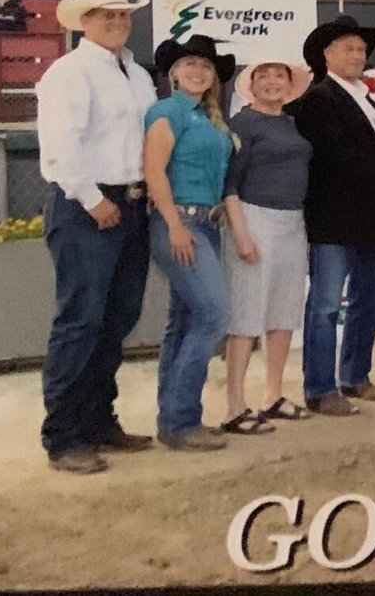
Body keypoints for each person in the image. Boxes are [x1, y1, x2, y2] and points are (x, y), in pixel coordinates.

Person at [35, 0, 157, 471]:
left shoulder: (137, 73)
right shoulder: (69, 72)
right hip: (86, 203)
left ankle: (98, 419)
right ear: (85, 21)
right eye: (108, 14)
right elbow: (60, 147)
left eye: (123, 14)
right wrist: (91, 198)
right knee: (81, 319)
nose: (118, 22)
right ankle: (63, 435)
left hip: (130, 201)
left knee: (116, 318)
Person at [286, 14, 375, 414]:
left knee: (369, 298)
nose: (357, 55)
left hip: (370, 217)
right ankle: (320, 388)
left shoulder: (368, 101)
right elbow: (340, 155)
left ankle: (355, 375)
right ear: (327, 54)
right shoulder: (318, 100)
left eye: (360, 49)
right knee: (326, 305)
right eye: (348, 48)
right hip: (334, 218)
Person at [143, 32, 248, 451]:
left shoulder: (209, 118)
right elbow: (154, 170)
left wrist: (214, 207)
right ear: (173, 73)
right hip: (180, 222)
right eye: (190, 64)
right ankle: (181, 418)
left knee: (186, 320)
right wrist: (174, 225)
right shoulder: (166, 111)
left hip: (204, 222)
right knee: (214, 314)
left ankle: (173, 418)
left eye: (205, 66)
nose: (199, 71)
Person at [220, 52, 314, 433]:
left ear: (289, 85)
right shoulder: (242, 124)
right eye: (265, 76)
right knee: (246, 314)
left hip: (293, 221)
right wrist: (241, 233)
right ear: (252, 84)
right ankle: (234, 406)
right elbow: (229, 183)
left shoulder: (292, 123)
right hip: (254, 218)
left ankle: (273, 395)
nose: (273, 82)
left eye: (279, 76)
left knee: (283, 312)